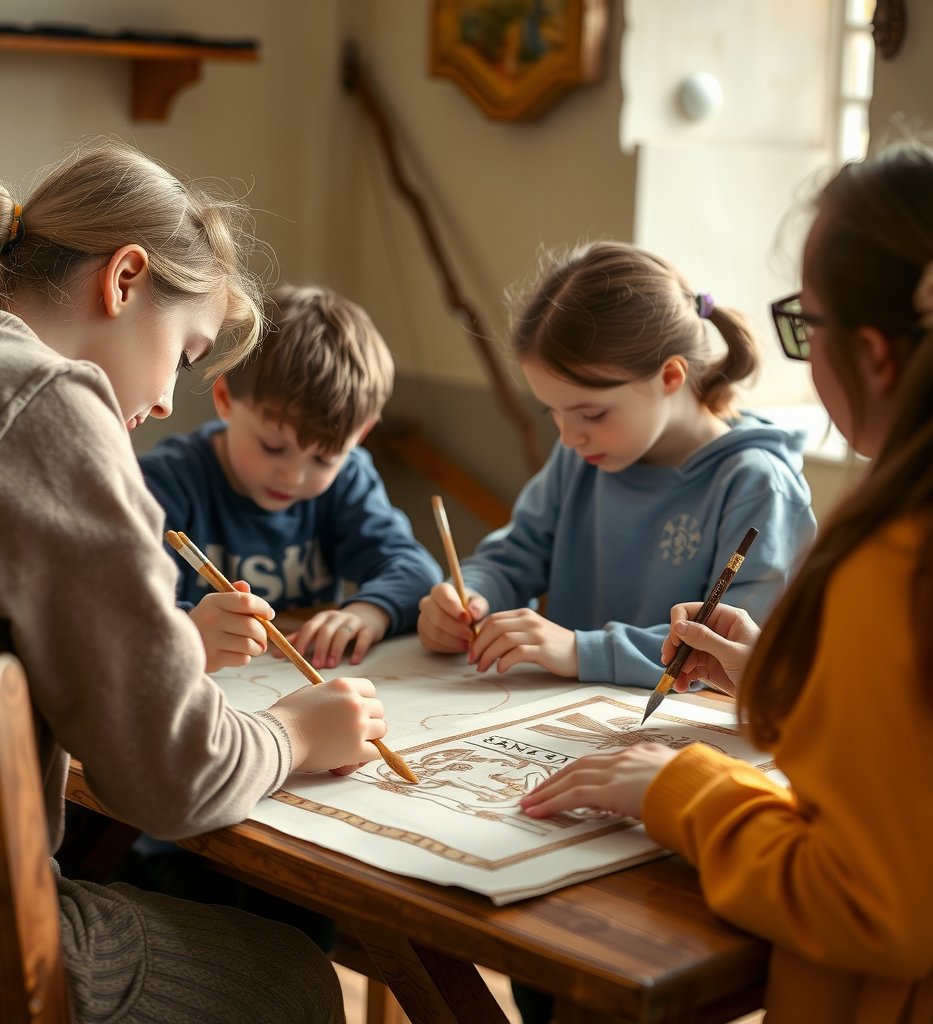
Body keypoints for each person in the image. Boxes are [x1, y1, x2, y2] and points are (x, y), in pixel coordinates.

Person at [0, 141, 386, 1023]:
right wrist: (293, 732)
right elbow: (169, 777)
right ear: (124, 279)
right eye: (186, 349)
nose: (169, 402)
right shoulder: (41, 400)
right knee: (293, 980)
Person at [521, 146, 933, 1023]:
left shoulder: (897, 563)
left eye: (805, 328)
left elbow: (875, 903)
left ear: (873, 354)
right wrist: (791, 695)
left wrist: (677, 790)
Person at [417, 241, 817, 687]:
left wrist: (578, 650)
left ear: (670, 376)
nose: (568, 437)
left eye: (591, 414)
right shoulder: (581, 456)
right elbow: (514, 555)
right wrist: (470, 595)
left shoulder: (758, 487)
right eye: (554, 411)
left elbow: (734, 654)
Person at [139, 284, 442, 673]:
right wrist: (187, 630)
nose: (293, 475)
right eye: (271, 446)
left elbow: (416, 571)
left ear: (360, 436)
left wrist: (369, 612)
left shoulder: (349, 477)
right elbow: (128, 602)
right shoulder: (164, 484)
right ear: (226, 400)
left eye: (323, 457)